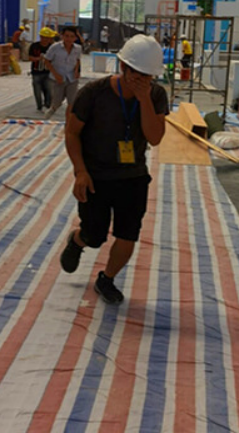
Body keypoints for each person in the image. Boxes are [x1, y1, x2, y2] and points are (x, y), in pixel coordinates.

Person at [61, 34, 168, 304]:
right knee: (95, 235)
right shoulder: (93, 93)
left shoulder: (156, 95)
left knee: (128, 234)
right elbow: (72, 132)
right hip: (96, 176)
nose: (142, 80)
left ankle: (107, 278)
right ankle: (78, 240)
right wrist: (80, 172)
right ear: (123, 67)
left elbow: (155, 137)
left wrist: (144, 99)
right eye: (137, 74)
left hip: (133, 176)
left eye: (148, 76)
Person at [43, 25, 82, 118]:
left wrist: (77, 71)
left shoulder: (78, 48)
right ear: (62, 36)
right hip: (58, 78)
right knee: (57, 101)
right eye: (66, 36)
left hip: (72, 78)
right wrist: (55, 74)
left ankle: (69, 121)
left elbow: (77, 60)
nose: (69, 39)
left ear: (75, 38)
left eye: (72, 36)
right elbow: (47, 61)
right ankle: (53, 109)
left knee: (72, 102)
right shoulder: (55, 47)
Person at [28, 27, 56, 111]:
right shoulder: (34, 46)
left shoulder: (52, 47)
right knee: (37, 90)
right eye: (44, 38)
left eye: (48, 38)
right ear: (41, 37)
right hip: (36, 72)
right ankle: (39, 106)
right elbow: (30, 57)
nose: (46, 40)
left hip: (48, 73)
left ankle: (47, 104)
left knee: (49, 90)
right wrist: (38, 59)